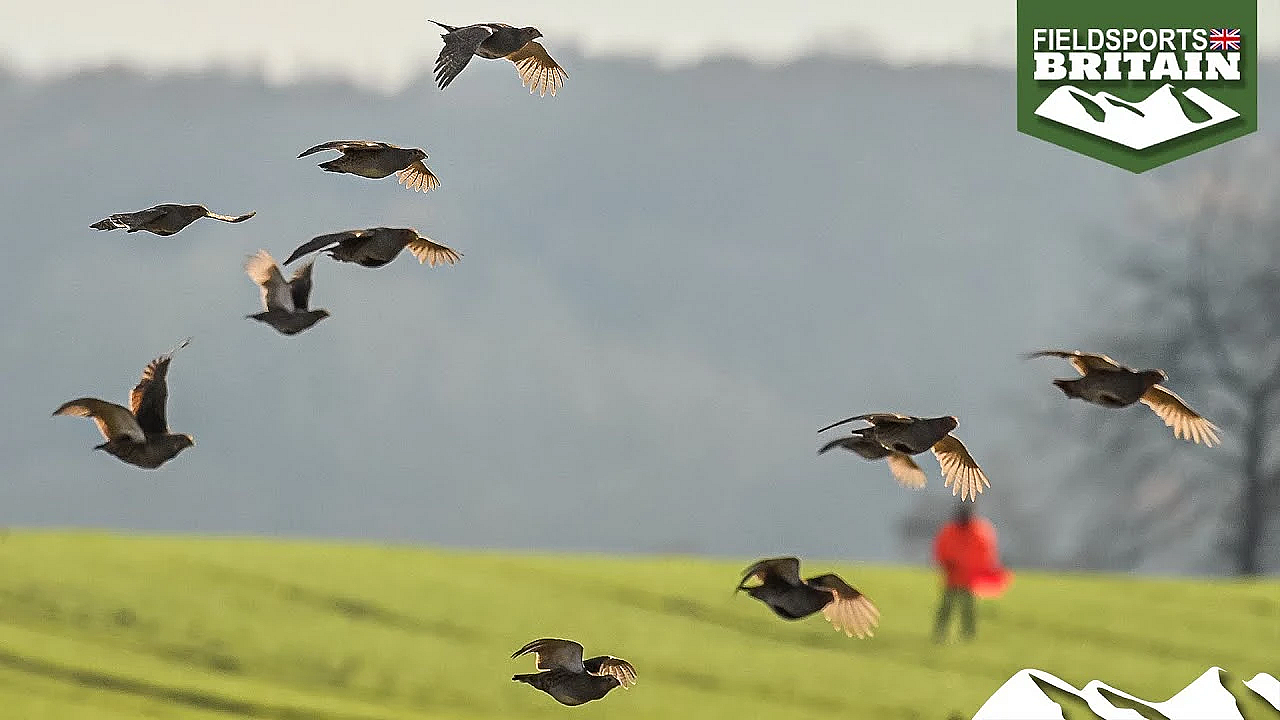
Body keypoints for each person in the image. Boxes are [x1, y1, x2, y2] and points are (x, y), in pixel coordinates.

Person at [932, 503, 1010, 643]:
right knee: (947, 607)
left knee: (966, 609)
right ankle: (941, 632)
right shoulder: (954, 531)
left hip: (967, 579)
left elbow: (985, 555)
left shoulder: (978, 532)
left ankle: (967, 634)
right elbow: (941, 550)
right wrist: (948, 563)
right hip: (953, 577)